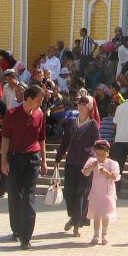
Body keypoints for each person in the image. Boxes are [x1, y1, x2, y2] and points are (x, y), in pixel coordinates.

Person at [1, 84, 48, 249]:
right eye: (39, 100)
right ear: (28, 99)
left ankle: (26, 236)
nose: (41, 104)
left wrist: (44, 160)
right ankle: (16, 229)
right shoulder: (11, 114)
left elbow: (41, 138)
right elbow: (5, 139)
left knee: (28, 196)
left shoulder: (40, 115)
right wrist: (4, 161)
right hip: (14, 158)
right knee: (14, 195)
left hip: (32, 159)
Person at [56, 95, 100, 237]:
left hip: (86, 164)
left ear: (90, 108)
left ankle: (76, 224)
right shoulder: (70, 123)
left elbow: (96, 144)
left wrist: (95, 158)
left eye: (85, 105)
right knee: (69, 192)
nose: (81, 107)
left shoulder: (93, 124)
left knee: (81, 193)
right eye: (80, 104)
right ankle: (73, 217)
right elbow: (65, 142)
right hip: (71, 162)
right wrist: (58, 157)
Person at [82, 139, 119, 245]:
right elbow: (85, 172)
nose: (100, 157)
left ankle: (105, 234)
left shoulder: (112, 163)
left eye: (102, 155)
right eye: (98, 154)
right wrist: (92, 167)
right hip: (96, 190)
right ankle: (96, 234)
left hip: (107, 191)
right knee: (96, 213)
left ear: (107, 153)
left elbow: (115, 177)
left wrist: (106, 171)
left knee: (105, 213)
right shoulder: (92, 161)